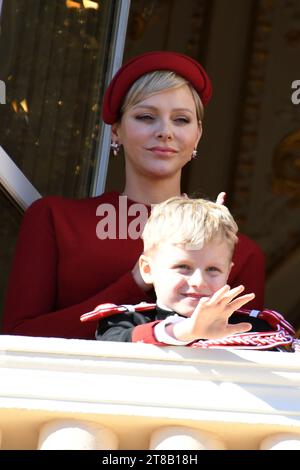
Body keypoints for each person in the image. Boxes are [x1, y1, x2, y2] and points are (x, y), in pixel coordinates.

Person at [2, 51, 265, 340]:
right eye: (145, 117)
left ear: (198, 135)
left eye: (181, 120)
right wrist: (134, 282)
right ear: (116, 131)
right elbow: (17, 338)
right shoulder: (56, 219)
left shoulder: (238, 250)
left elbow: (245, 352)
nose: (165, 131)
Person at [95, 196, 265, 345]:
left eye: (213, 269)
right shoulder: (121, 323)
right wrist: (184, 332)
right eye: (183, 267)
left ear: (228, 273)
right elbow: (117, 345)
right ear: (147, 270)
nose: (199, 282)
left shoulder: (252, 330)